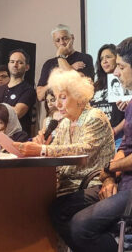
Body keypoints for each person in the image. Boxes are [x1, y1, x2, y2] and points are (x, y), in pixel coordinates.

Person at [48, 35, 132, 252]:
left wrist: (111, 168)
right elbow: (124, 148)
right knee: (59, 209)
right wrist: (109, 178)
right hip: (127, 184)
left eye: (121, 67)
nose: (116, 72)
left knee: (81, 225)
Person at [17, 69, 115, 197]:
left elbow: (84, 149)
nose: (57, 104)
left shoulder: (94, 117)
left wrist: (43, 150)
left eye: (62, 98)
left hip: (90, 184)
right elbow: (55, 151)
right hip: (66, 186)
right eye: (55, 98)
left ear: (79, 97)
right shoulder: (64, 123)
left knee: (46, 207)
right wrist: (41, 146)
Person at [0, 49, 37, 136]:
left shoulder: (29, 90)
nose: (15, 64)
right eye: (12, 61)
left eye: (20, 62)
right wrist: (5, 110)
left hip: (18, 140)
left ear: (27, 67)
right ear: (8, 65)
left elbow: (16, 113)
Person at [37, 24, 94, 101]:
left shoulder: (85, 58)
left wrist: (60, 56)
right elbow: (40, 95)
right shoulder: (48, 64)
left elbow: (76, 85)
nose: (62, 43)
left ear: (72, 38)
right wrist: (71, 69)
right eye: (58, 40)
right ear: (54, 43)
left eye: (65, 38)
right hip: (55, 110)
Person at [90, 44, 126, 149]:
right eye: (101, 59)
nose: (104, 61)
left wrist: (115, 131)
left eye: (108, 57)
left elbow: (131, 113)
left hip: (118, 138)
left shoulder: (125, 83)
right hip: (97, 138)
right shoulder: (95, 86)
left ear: (117, 58)